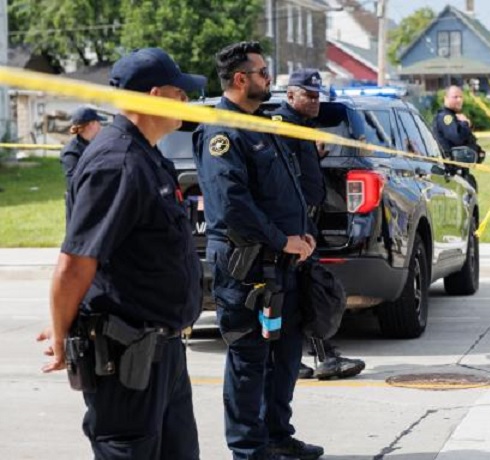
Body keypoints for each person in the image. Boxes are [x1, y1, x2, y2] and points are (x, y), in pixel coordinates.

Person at [36, 47, 206, 458]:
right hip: (128, 357)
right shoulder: (117, 162)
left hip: (163, 351)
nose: (187, 100)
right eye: (180, 92)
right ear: (153, 96)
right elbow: (75, 262)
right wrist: (61, 334)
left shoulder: (146, 155)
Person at [193, 41, 322, 460]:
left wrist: (302, 234)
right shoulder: (222, 132)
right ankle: (249, 449)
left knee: (284, 356)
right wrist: (282, 239)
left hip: (284, 264)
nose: (270, 79)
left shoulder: (260, 124)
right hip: (246, 264)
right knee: (249, 359)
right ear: (240, 79)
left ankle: (277, 435)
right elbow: (233, 205)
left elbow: (284, 191)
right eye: (263, 73)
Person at [267, 69, 366, 381]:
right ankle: (301, 358)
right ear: (291, 95)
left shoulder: (302, 126)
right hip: (290, 222)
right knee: (293, 293)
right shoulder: (282, 125)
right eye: (308, 95)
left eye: (317, 95)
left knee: (306, 291)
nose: (315, 101)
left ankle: (316, 356)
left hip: (305, 218)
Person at [431, 85, 486, 190]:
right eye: (455, 97)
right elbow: (457, 138)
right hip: (450, 173)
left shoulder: (454, 116)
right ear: (446, 98)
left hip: (459, 171)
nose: (459, 100)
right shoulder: (445, 117)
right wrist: (465, 123)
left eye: (461, 97)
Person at [60, 106, 106, 188]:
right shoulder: (71, 152)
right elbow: (74, 184)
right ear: (91, 124)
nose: (100, 127)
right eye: (98, 122)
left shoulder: (96, 144)